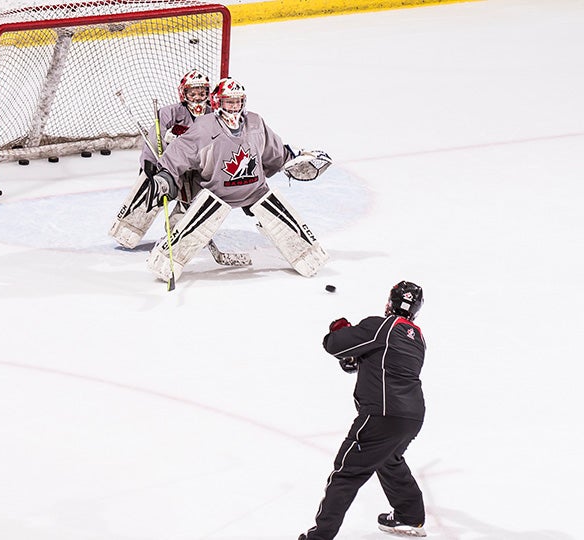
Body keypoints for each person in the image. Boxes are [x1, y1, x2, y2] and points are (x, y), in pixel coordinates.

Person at [143, 77, 333, 282]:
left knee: (283, 219)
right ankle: (164, 259)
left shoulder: (255, 122)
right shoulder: (205, 126)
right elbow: (181, 150)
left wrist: (292, 159)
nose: (234, 107)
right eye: (228, 102)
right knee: (191, 227)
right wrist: (166, 175)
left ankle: (307, 254)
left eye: (238, 101)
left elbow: (273, 151)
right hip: (217, 193)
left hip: (255, 191)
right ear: (218, 102)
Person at [299, 281, 428, 540]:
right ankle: (409, 515)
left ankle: (319, 537)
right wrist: (355, 360)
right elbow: (380, 366)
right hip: (412, 416)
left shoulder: (380, 326)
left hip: (381, 414)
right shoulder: (418, 339)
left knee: (347, 472)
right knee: (388, 459)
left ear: (390, 303)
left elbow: (333, 344)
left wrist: (341, 330)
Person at [109, 69, 211, 250]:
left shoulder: (213, 115)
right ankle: (130, 227)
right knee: (153, 189)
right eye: (192, 93)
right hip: (172, 166)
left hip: (198, 169)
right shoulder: (170, 112)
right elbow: (155, 135)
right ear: (183, 93)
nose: (197, 98)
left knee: (193, 201)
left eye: (201, 93)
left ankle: (178, 231)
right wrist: (149, 161)